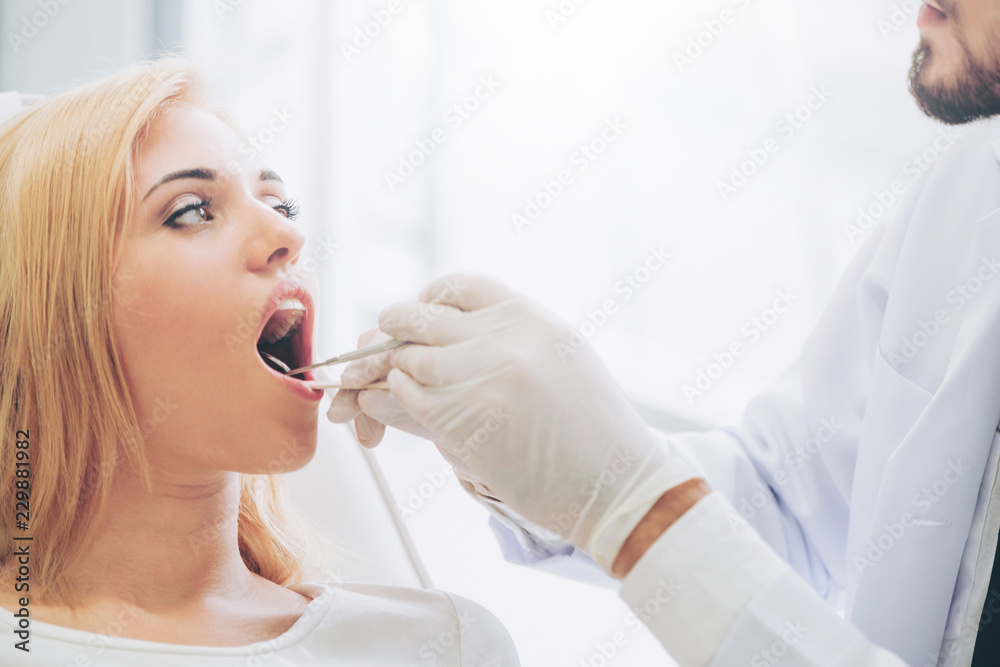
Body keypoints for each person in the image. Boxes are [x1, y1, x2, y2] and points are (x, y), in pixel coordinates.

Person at [328, 1, 1000, 665]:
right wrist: (543, 458)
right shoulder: (972, 188)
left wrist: (626, 502)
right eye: (213, 208)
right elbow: (789, 509)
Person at [0, 58, 518, 665]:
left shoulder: (441, 645)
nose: (288, 235)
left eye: (280, 204)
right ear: (53, 320)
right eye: (192, 210)